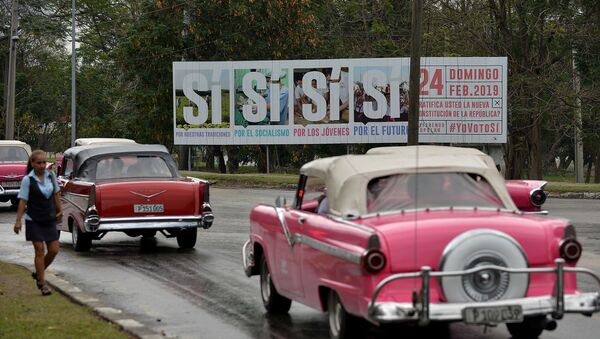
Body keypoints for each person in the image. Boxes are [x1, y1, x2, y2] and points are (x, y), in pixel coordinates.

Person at [13, 150, 62, 296]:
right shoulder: (28, 180)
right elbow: (23, 200)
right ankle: (42, 283)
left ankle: (38, 272)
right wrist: (18, 221)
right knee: (39, 250)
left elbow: (56, 193)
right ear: (33, 164)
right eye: (38, 163)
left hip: (49, 218)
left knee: (54, 250)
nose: (42, 165)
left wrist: (60, 210)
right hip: (33, 219)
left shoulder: (51, 176)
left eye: (44, 162)